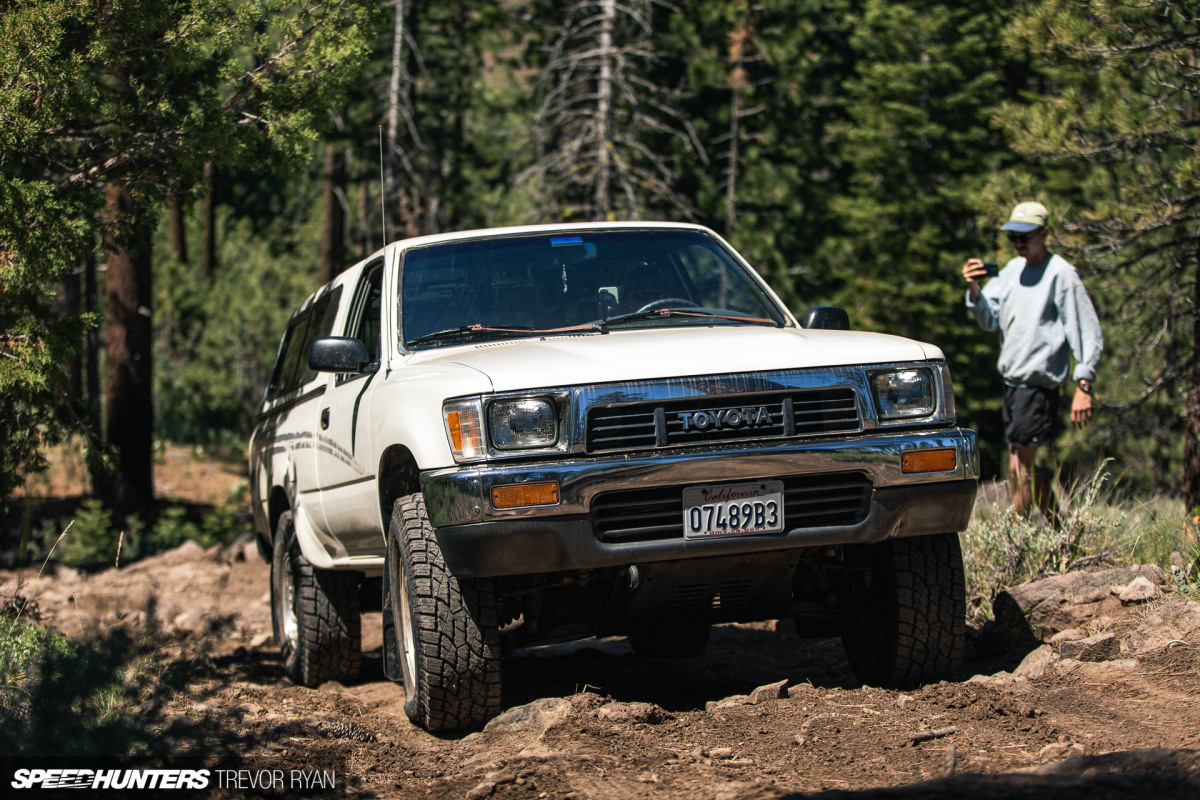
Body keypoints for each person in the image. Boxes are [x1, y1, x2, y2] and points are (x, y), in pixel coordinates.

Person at [962, 201, 1103, 522]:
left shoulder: (1061, 274)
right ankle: (1059, 528)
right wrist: (973, 288)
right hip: (1012, 383)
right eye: (1013, 236)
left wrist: (1084, 382)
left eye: (1025, 236)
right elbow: (990, 319)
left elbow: (1086, 329)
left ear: (1044, 233)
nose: (1019, 243)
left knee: (1018, 464)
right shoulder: (1011, 271)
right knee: (1022, 461)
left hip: (1037, 385)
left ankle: (1018, 536)